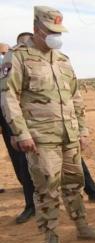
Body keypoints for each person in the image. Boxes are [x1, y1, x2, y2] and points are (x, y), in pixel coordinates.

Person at [1, 6, 95, 243]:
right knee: (47, 186)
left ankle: (82, 226)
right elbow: (9, 98)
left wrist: (82, 128)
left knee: (75, 182)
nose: (56, 36)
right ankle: (51, 237)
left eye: (59, 31)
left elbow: (75, 96)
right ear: (38, 29)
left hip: (69, 135)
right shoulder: (17, 57)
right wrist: (21, 132)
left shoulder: (62, 59)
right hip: (40, 138)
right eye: (51, 31)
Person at [1, 40, 35, 223]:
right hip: (13, 119)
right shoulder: (9, 60)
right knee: (22, 161)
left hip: (41, 120)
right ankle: (31, 205)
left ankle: (92, 191)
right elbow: (8, 97)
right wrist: (16, 131)